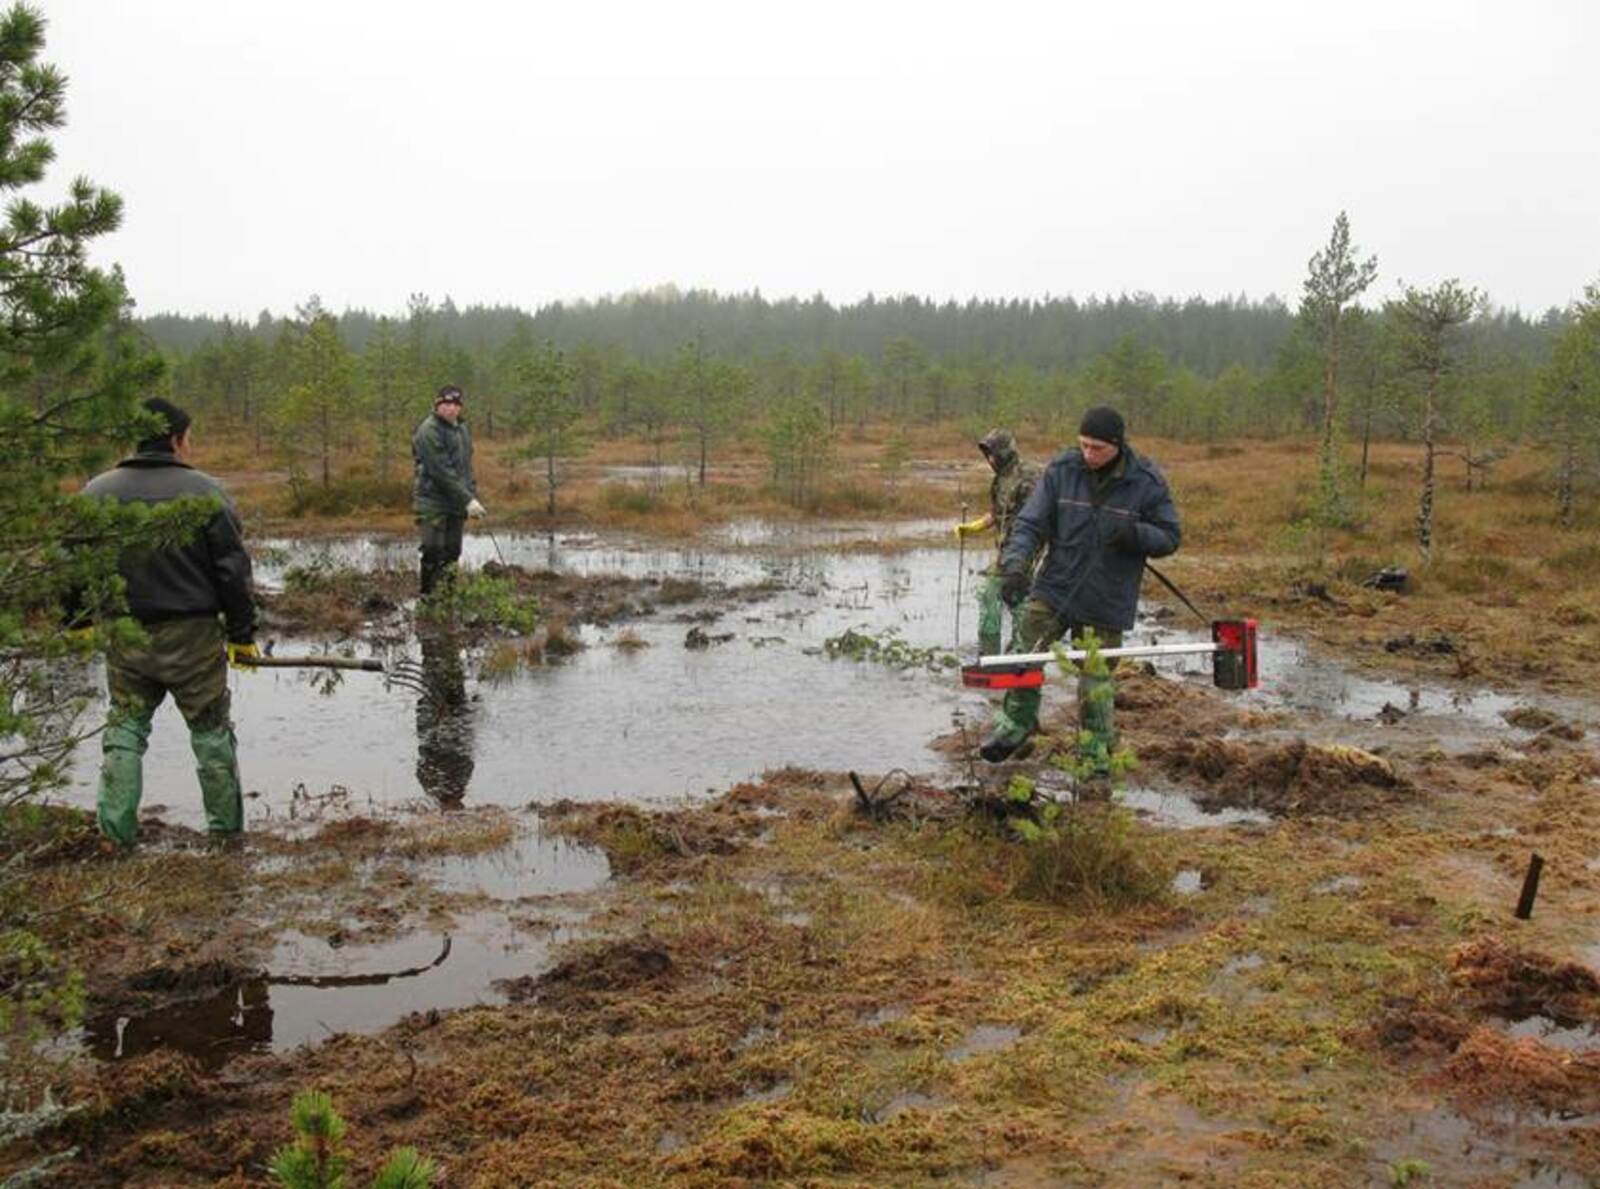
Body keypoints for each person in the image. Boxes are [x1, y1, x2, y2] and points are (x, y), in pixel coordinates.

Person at [77, 398, 259, 846]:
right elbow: (232, 571)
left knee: (124, 730)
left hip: (126, 633)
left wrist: (75, 621)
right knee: (212, 731)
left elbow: (71, 561)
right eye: (189, 438)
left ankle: (114, 835)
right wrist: (241, 635)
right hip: (193, 636)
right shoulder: (207, 491)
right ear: (177, 439)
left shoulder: (97, 491)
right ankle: (226, 834)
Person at [980, 405, 1181, 764]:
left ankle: (1095, 752)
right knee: (1025, 651)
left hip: (1107, 597)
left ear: (1118, 445)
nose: (1089, 455)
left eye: (1098, 448)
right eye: (1084, 445)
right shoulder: (1062, 469)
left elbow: (1170, 536)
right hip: (1056, 585)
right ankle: (1017, 725)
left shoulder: (1146, 481)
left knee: (1095, 677)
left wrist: (1134, 534)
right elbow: (1030, 524)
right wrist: (1015, 567)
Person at [954, 428, 1040, 656]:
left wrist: (1024, 557)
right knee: (988, 595)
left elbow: (1035, 520)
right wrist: (973, 527)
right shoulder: (999, 480)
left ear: (1005, 452)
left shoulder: (1028, 477)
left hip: (1026, 556)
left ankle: (1021, 652)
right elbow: (997, 512)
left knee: (1019, 601)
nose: (990, 460)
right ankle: (988, 653)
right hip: (1004, 554)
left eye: (993, 454)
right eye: (987, 455)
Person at [412, 384, 484, 595]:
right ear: (437, 405)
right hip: (432, 501)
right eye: (446, 404)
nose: (451, 408)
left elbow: (465, 466)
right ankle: (428, 598)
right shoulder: (428, 430)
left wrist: (471, 494)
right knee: (433, 550)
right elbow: (440, 470)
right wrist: (467, 500)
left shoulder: (462, 429)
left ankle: (448, 598)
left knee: (453, 551)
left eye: (455, 404)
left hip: (456, 502)